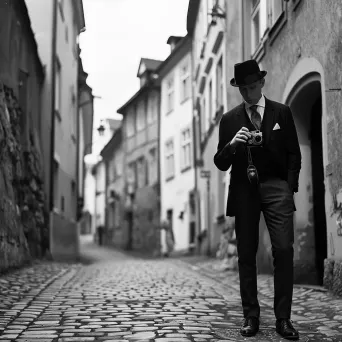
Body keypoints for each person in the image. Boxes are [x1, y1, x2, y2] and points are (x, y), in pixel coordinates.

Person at [214, 59, 301, 340]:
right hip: (244, 190)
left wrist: (289, 188)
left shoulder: (282, 113)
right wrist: (232, 145)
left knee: (284, 250)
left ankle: (283, 318)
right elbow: (220, 163)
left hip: (277, 188)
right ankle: (251, 316)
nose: (248, 94)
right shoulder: (229, 120)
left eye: (252, 87)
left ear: (262, 83)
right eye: (243, 89)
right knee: (246, 254)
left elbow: (294, 155)